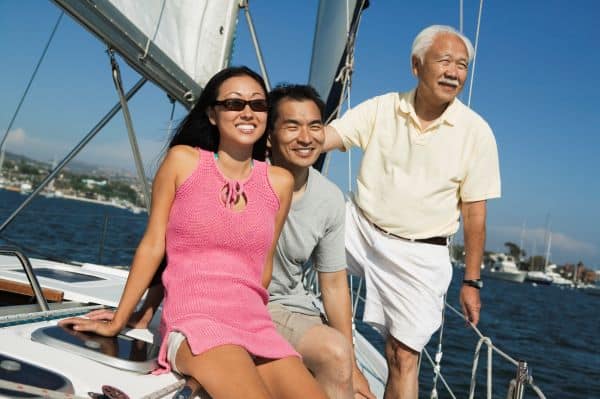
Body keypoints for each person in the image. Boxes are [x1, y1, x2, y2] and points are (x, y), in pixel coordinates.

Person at [86, 84, 375, 399]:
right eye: (235, 103)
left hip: (253, 319)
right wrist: (132, 314)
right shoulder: (185, 161)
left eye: (256, 105)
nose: (247, 112)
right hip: (199, 319)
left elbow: (264, 272)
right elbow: (162, 247)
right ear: (213, 112)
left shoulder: (281, 185)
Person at [322, 25, 501, 399]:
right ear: (416, 66)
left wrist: (471, 282)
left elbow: (475, 213)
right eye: (445, 61)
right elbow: (329, 138)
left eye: (463, 65)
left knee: (402, 355)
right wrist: (281, 132)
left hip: (420, 253)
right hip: (359, 227)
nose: (454, 72)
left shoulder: (477, 132)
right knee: (301, 212)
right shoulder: (384, 107)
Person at [266, 84, 374, 399]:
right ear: (269, 136)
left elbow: (334, 285)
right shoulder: (246, 178)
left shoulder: (329, 198)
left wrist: (354, 369)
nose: (306, 137)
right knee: (334, 353)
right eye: (292, 126)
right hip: (252, 305)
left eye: (315, 126)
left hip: (295, 308)